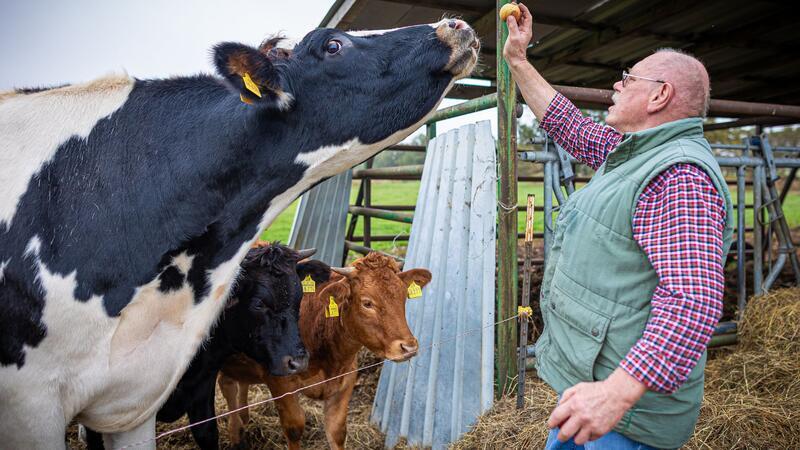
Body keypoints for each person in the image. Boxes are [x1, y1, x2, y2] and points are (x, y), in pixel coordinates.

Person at [502, 4, 735, 449]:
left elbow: (693, 299)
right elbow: (567, 124)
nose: (616, 84)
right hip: (592, 394)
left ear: (659, 95)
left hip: (625, 417)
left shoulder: (679, 174)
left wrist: (616, 393)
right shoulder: (635, 154)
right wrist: (518, 60)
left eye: (627, 79)